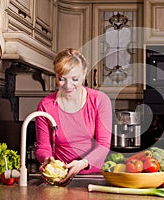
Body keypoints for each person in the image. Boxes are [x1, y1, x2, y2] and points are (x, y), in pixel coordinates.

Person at [35, 48, 112, 185]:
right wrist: (47, 160)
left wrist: (83, 163)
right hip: (61, 178)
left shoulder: (99, 100)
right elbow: (43, 147)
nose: (68, 86)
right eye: (62, 79)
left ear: (84, 74)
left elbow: (103, 145)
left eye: (75, 79)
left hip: (94, 178)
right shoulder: (45, 106)